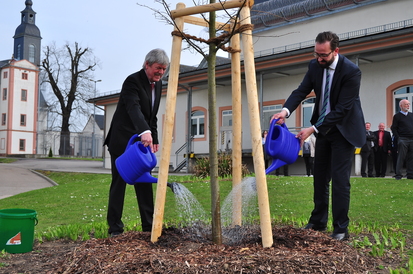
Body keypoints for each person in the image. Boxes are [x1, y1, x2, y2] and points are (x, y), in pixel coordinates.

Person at [270, 31, 365, 241]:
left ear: (336, 51)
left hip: (344, 131)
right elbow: (301, 91)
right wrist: (285, 112)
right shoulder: (314, 66)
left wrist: (312, 129)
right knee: (320, 177)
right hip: (324, 131)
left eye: (324, 55)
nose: (319, 59)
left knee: (340, 181)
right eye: (316, 54)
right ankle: (318, 221)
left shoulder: (351, 72)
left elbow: (341, 110)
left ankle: (341, 229)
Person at [103, 49, 169, 237]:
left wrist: (153, 137)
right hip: (122, 140)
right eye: (158, 68)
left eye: (164, 69)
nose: (161, 73)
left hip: (141, 144)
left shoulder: (158, 84)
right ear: (147, 64)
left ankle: (148, 227)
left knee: (144, 182)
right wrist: (144, 131)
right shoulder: (132, 81)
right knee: (119, 183)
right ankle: (115, 228)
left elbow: (151, 115)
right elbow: (134, 108)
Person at [391, 99, 413, 180]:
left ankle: (410, 174)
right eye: (406, 104)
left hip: (412, 139)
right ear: (401, 106)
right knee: (401, 157)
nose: (408, 105)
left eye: (409, 104)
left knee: (411, 157)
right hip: (403, 139)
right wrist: (398, 138)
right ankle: (398, 175)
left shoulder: (411, 115)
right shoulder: (397, 116)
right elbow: (394, 128)